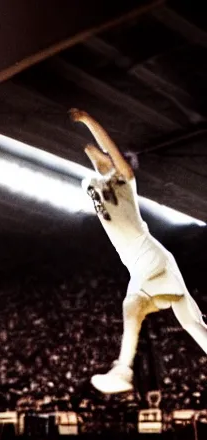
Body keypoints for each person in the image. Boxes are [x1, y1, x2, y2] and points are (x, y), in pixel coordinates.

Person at [70, 108, 207, 394]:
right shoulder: (100, 186)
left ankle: (122, 369)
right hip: (148, 264)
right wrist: (91, 151)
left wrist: (88, 121)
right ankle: (122, 369)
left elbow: (109, 152)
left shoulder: (126, 181)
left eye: (108, 163)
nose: (103, 164)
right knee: (192, 324)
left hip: (148, 256)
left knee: (133, 308)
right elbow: (98, 158)